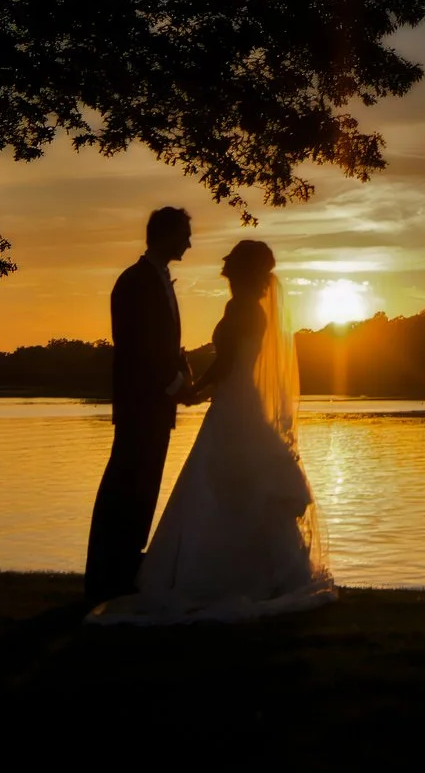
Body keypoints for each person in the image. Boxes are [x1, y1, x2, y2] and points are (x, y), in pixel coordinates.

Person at [88, 237, 336, 625]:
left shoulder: (242, 309)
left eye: (232, 265)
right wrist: (194, 387)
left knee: (222, 483)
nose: (225, 269)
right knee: (234, 486)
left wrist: (194, 391)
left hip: (235, 403)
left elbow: (227, 363)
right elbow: (229, 361)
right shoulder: (248, 309)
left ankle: (221, 574)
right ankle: (251, 572)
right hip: (240, 401)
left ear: (242, 271)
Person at [82, 205, 193, 603]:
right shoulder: (134, 282)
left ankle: (125, 567)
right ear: (163, 235)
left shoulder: (158, 280)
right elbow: (138, 348)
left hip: (155, 406)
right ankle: (106, 572)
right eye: (184, 234)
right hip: (140, 405)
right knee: (125, 486)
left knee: (144, 487)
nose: (189, 243)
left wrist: (184, 373)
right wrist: (176, 384)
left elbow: (165, 344)